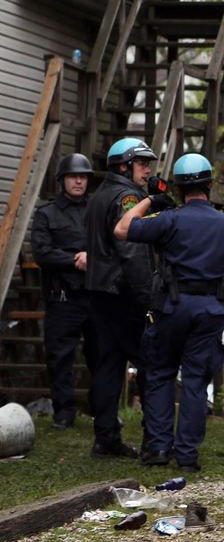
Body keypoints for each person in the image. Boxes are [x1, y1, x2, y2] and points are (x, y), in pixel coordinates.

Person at [114, 154, 224, 471]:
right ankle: (187, 455)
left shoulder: (169, 219)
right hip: (211, 310)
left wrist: (149, 201)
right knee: (197, 381)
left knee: (159, 376)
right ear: (210, 185)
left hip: (171, 308)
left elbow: (122, 228)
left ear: (178, 187)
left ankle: (158, 449)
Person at [84, 137, 157, 458]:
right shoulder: (128, 197)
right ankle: (155, 437)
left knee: (107, 366)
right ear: (124, 166)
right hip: (125, 296)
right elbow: (133, 253)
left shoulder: (99, 196)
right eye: (142, 163)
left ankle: (106, 437)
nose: (148, 170)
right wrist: (147, 298)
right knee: (150, 364)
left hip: (100, 293)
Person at [31, 154, 97, 429]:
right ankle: (64, 412)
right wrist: (75, 260)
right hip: (62, 298)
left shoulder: (98, 210)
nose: (79, 180)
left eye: (83, 176)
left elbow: (115, 245)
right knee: (60, 357)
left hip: (96, 296)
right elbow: (42, 252)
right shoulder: (47, 214)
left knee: (102, 356)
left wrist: (92, 257)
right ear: (62, 180)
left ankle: (102, 412)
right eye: (73, 176)